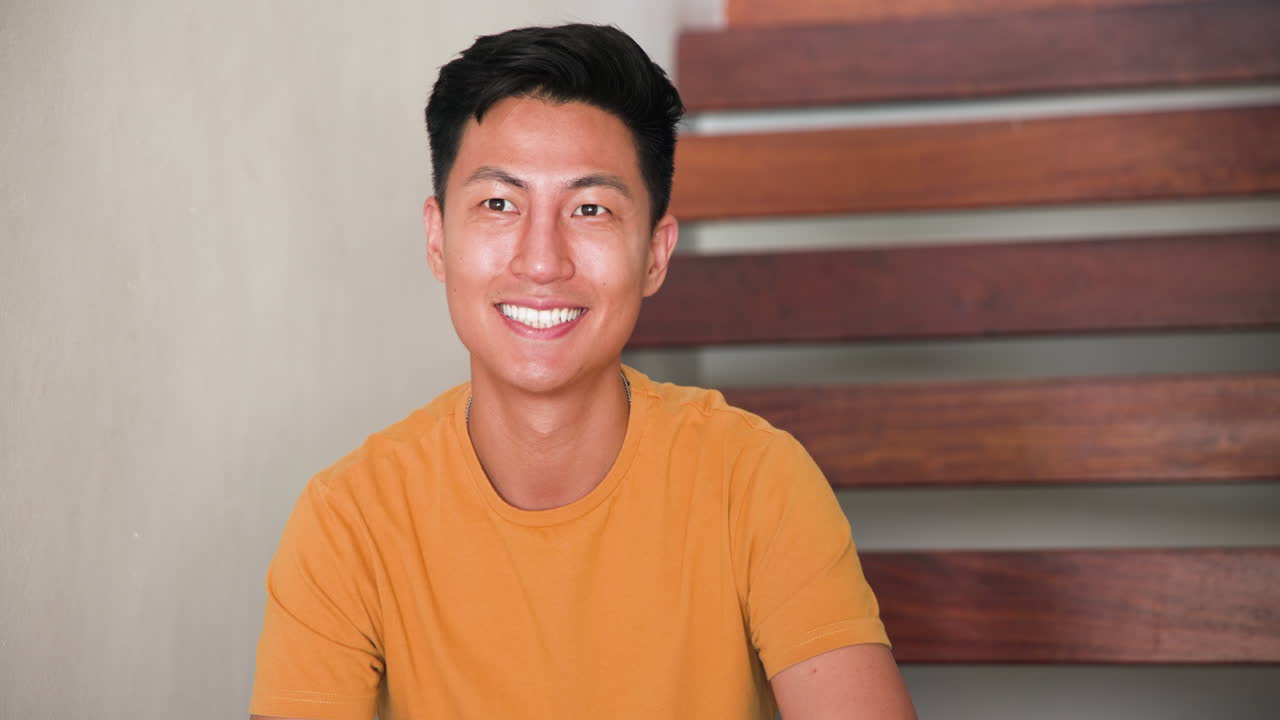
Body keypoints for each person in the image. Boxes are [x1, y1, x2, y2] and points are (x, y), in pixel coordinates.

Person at [250, 23, 916, 720]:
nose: (542, 261)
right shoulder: (348, 522)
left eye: (590, 209)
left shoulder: (752, 483)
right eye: (499, 204)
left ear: (655, 254)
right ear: (437, 238)